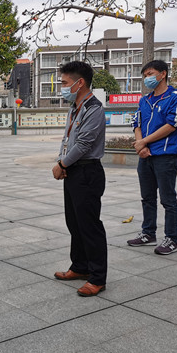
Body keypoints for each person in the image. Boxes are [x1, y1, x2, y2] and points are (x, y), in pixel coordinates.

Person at [52, 61, 107, 297]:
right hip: (73, 171)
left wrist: (62, 164)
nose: (62, 88)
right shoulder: (75, 107)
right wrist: (61, 161)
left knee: (89, 226)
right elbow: (67, 140)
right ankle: (80, 266)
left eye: (65, 83)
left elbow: (84, 144)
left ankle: (97, 277)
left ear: (80, 82)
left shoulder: (94, 109)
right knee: (74, 223)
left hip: (87, 172)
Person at [127, 60, 177, 254]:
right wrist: (140, 145)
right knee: (147, 197)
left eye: (150, 74)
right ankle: (148, 233)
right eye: (145, 75)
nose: (147, 78)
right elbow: (136, 122)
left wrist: (144, 142)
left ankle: (171, 239)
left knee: (168, 199)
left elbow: (172, 124)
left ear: (163, 74)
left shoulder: (175, 97)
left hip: (165, 155)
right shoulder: (144, 100)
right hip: (145, 156)